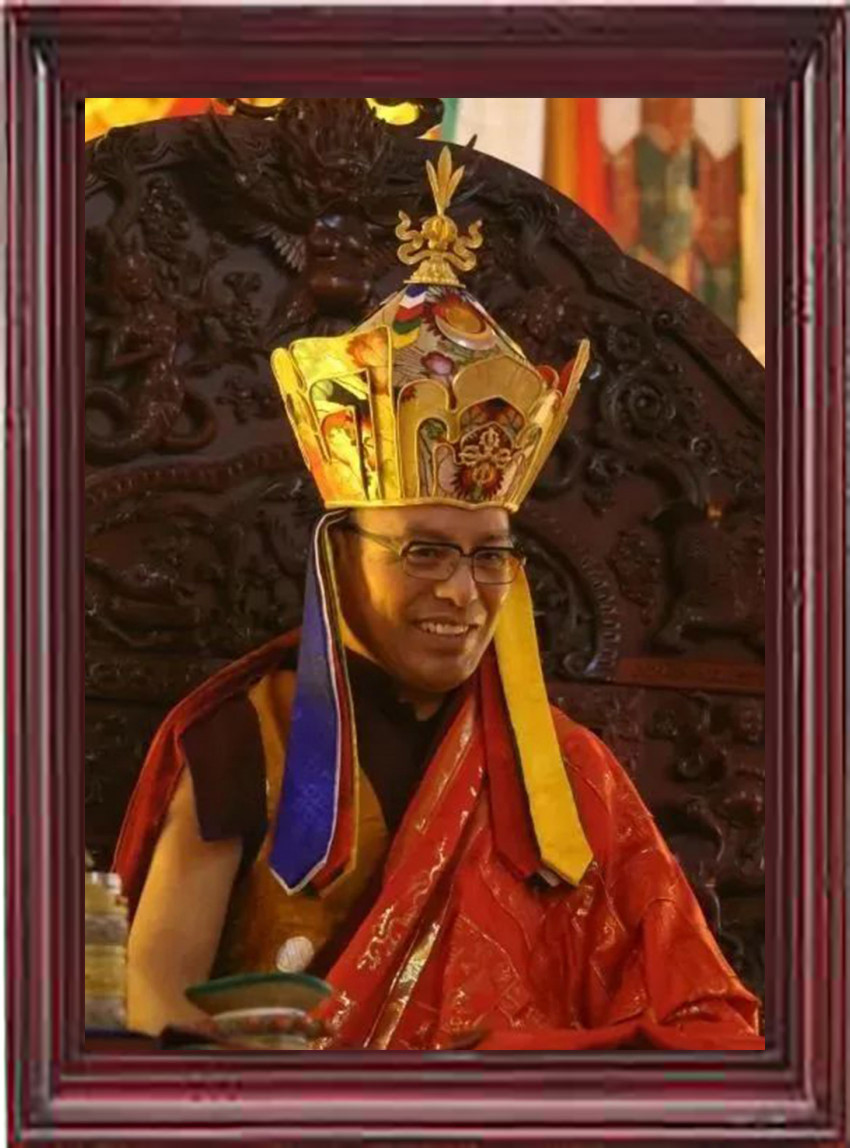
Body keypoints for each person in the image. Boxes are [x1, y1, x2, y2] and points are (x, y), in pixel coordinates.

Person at [114, 148, 764, 1051]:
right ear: (341, 556)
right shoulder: (246, 738)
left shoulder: (566, 778)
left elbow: (704, 1019)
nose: (461, 593)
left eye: (489, 557)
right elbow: (153, 1003)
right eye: (424, 551)